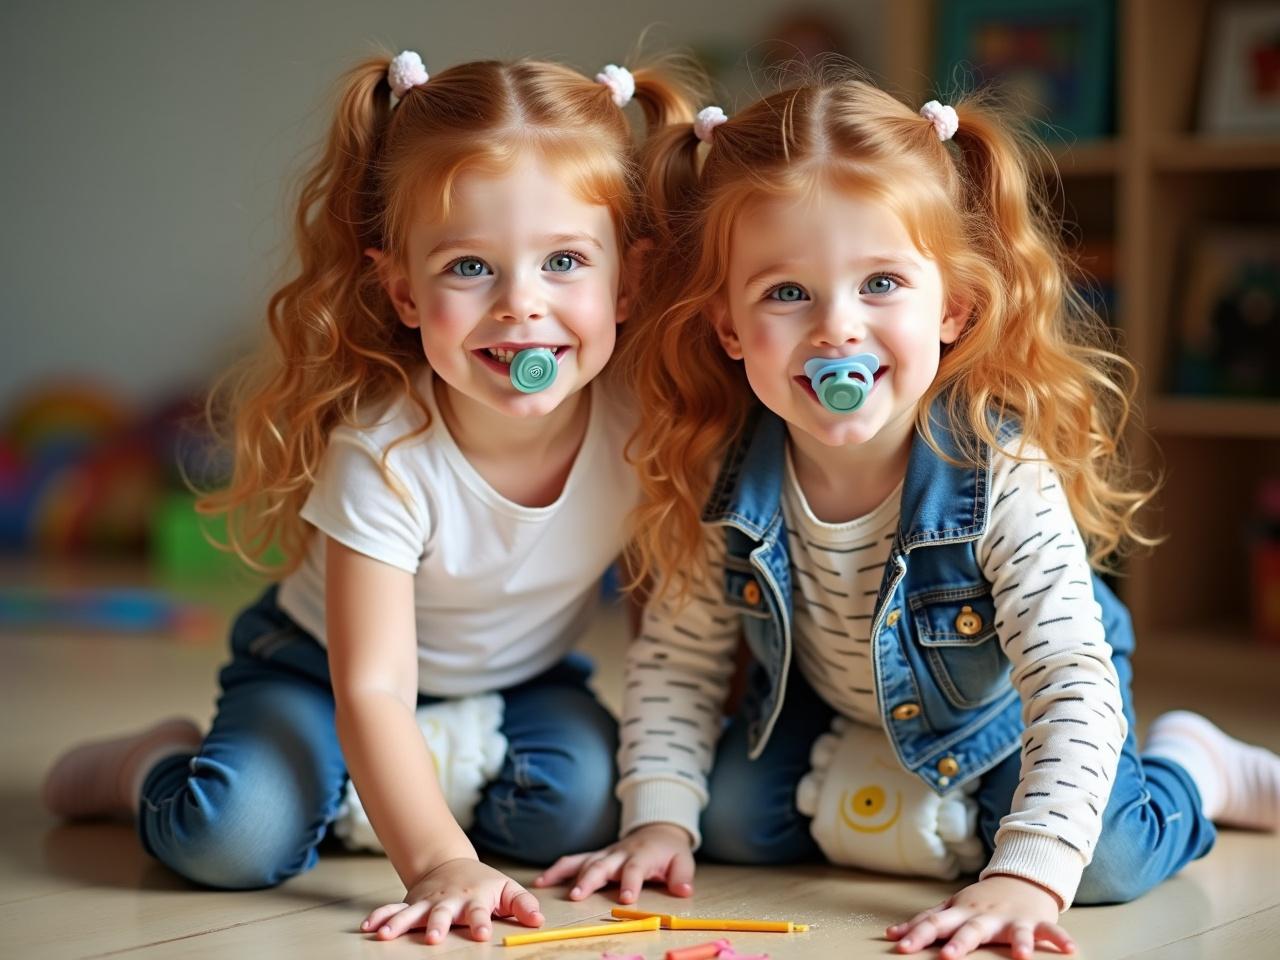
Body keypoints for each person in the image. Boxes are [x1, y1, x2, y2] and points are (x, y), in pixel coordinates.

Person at [538, 71, 1280, 959]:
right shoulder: (723, 473)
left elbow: (1070, 685)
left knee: (1105, 862)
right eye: (785, 293)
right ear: (728, 324)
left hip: (1004, 720)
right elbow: (680, 661)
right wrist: (657, 823)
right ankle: (909, 800)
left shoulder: (998, 473)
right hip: (838, 716)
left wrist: (1024, 875)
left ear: (953, 308)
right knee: (725, 820)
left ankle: (1193, 766)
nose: (837, 330)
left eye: (881, 281)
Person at [42, 49, 696, 945]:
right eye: (469, 268)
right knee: (229, 840)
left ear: (627, 281)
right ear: (403, 291)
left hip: (520, 679)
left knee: (580, 809)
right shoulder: (385, 457)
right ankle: (149, 762)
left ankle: (388, 785)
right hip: (321, 675)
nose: (520, 306)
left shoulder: (643, 427)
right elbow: (375, 685)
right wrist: (438, 862)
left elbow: (676, 619)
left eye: (564, 262)